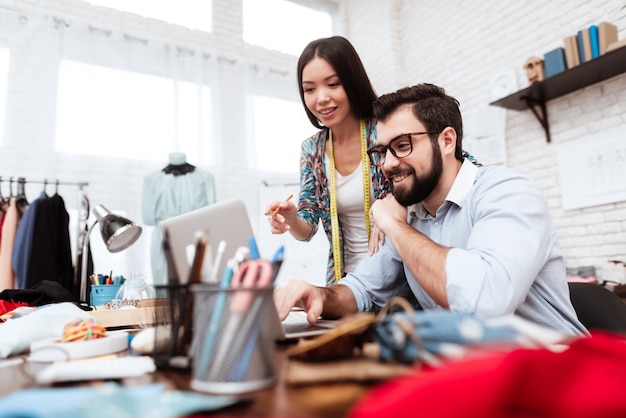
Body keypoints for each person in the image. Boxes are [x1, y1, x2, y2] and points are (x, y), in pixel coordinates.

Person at [274, 83, 587, 336]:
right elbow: (362, 289)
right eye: (381, 151)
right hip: (474, 378)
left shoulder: (508, 191)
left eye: (403, 144)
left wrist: (395, 227)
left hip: (561, 375)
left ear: (447, 140)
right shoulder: (412, 214)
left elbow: (486, 301)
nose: (388, 164)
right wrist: (319, 295)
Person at [265, 36, 479, 287]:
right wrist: (291, 221)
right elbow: (308, 226)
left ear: (353, 82)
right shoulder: (312, 149)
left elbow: (457, 165)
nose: (320, 98)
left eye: (333, 84)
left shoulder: (384, 130)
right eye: (310, 89)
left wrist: (393, 203)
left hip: (401, 276)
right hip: (347, 283)